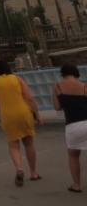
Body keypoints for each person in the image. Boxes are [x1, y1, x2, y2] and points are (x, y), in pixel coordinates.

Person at [0, 59, 43, 186]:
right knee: (29, 143)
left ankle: (19, 169)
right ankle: (34, 173)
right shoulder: (17, 79)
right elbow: (29, 97)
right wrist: (37, 115)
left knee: (13, 145)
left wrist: (1, 115)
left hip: (7, 115)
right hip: (23, 113)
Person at [52, 62, 87, 193]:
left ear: (63, 73)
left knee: (73, 156)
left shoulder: (57, 87)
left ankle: (76, 185)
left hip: (73, 125)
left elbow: (57, 107)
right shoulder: (84, 87)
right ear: (76, 73)